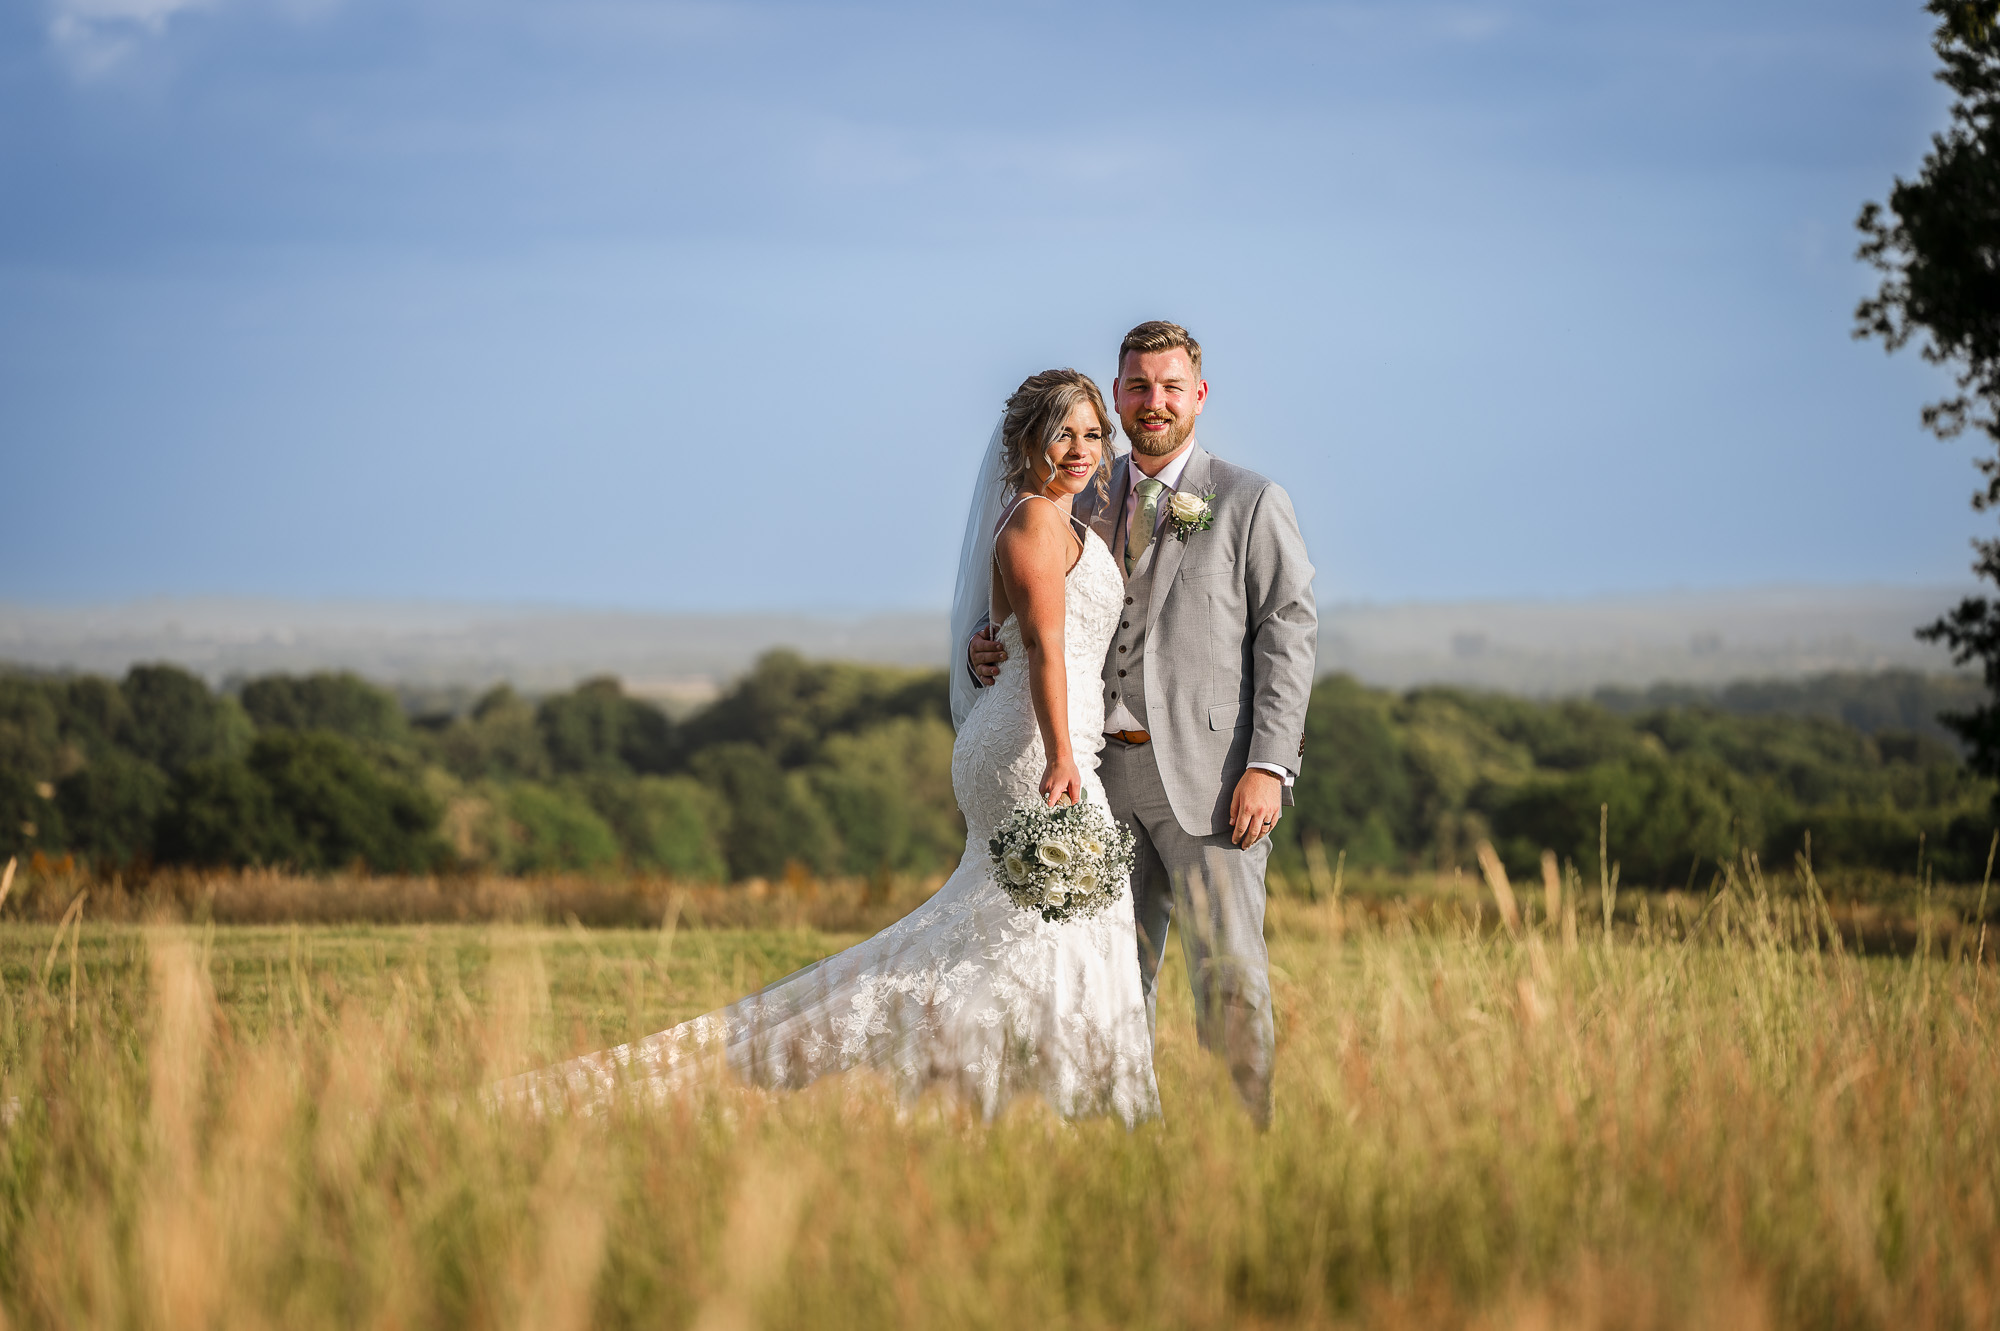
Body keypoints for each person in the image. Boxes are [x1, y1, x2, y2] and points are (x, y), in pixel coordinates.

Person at [499, 368, 1160, 1124]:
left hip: (1042, 734)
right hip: (1034, 750)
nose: (1081, 448)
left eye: (1091, 433)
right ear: (1025, 440)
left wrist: (990, 649)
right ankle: (1029, 1103)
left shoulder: (1066, 524)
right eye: (1063, 432)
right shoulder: (1034, 523)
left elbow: (1015, 633)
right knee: (1050, 922)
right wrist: (1062, 756)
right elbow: (1044, 647)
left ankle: (1028, 1096)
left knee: (1022, 927)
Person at [968, 321, 1317, 1126]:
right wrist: (986, 651)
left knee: (1228, 974)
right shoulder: (1076, 488)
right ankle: (1118, 1141)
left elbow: (1288, 632)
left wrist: (1269, 763)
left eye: (1168, 386)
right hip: (1094, 778)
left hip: (1214, 780)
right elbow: (1033, 609)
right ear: (1118, 395)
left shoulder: (1251, 498)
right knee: (1106, 974)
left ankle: (1246, 1140)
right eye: (1136, 386)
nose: (1151, 402)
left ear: (1198, 395)